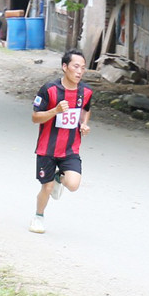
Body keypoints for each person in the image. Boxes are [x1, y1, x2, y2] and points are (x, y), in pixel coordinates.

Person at [29, 48, 92, 234]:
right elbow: (35, 117)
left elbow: (86, 109)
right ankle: (38, 217)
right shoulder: (49, 89)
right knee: (47, 187)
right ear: (65, 67)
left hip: (70, 147)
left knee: (73, 184)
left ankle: (59, 177)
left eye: (83, 68)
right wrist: (54, 111)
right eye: (76, 66)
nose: (79, 71)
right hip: (47, 148)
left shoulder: (86, 91)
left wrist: (84, 124)